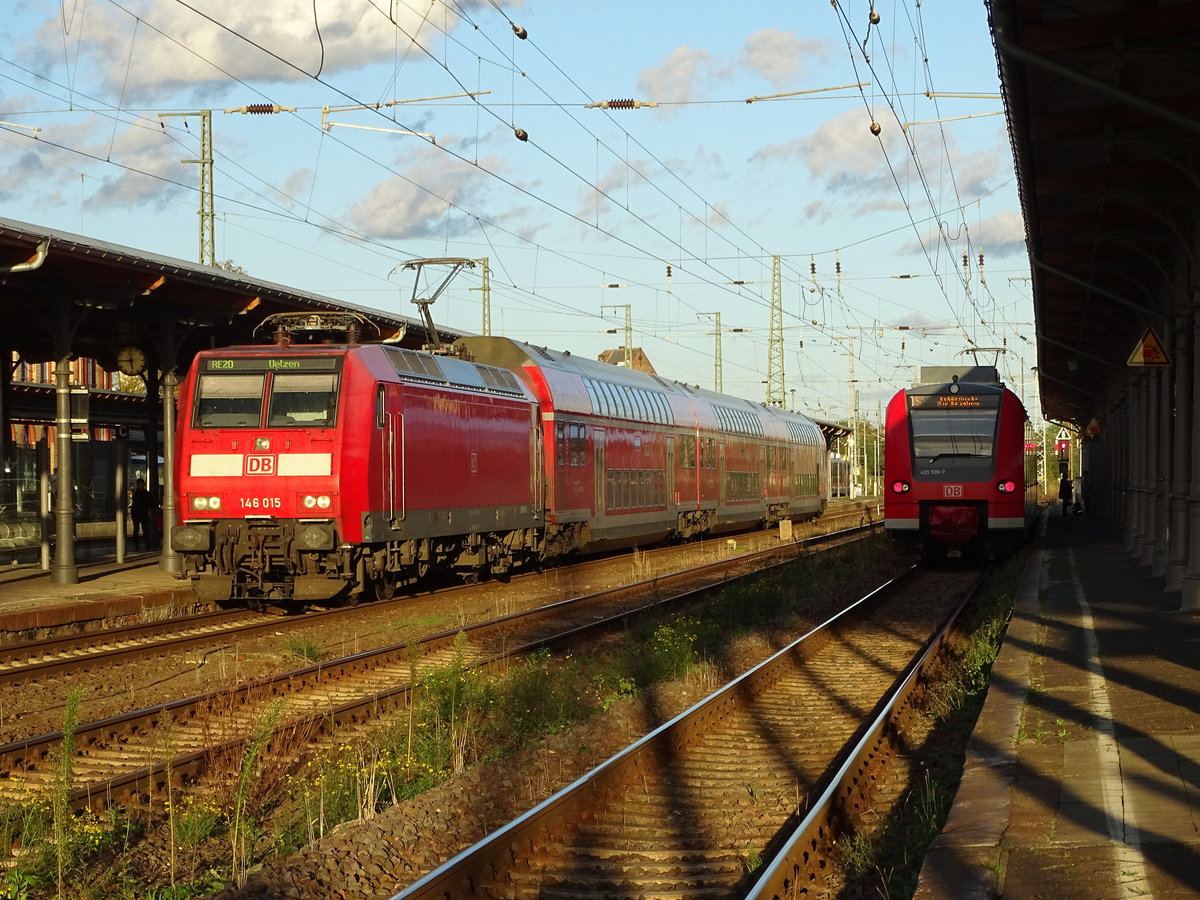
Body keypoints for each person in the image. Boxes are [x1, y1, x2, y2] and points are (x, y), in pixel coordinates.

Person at [130, 478, 157, 549]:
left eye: (142, 485)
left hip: (141, 513)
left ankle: (145, 545)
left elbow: (150, 502)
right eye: (140, 485)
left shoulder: (140, 494)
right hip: (138, 514)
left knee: (144, 529)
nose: (141, 486)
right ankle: (140, 545)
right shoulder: (139, 494)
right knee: (138, 529)